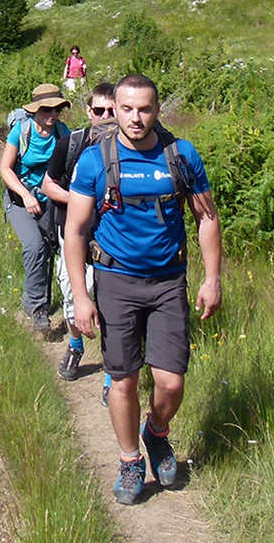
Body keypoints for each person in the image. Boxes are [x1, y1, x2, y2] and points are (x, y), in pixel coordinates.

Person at [64, 74, 222, 506]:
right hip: (116, 281)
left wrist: (212, 278)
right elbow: (75, 231)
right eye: (127, 109)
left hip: (169, 280)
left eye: (145, 109)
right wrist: (81, 296)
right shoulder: (97, 161)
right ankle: (130, 459)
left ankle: (156, 432)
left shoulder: (181, 156)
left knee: (170, 383)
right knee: (124, 380)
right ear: (114, 109)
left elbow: (206, 217)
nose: (136, 118)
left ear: (157, 110)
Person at [41, 82, 114, 383]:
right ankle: (75, 344)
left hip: (112, 238)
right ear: (89, 111)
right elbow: (47, 185)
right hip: (72, 233)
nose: (106, 116)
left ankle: (114, 371)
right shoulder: (71, 143)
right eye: (99, 110)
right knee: (73, 294)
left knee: (113, 302)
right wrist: (80, 201)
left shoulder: (132, 148)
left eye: (112, 110)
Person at [0, 83, 71, 335]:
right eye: (46, 110)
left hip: (50, 199)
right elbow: (6, 169)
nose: (52, 116)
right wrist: (25, 194)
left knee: (51, 247)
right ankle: (36, 306)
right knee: (34, 246)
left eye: (56, 110)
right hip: (19, 199)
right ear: (35, 111)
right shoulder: (21, 131)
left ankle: (46, 297)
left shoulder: (63, 133)